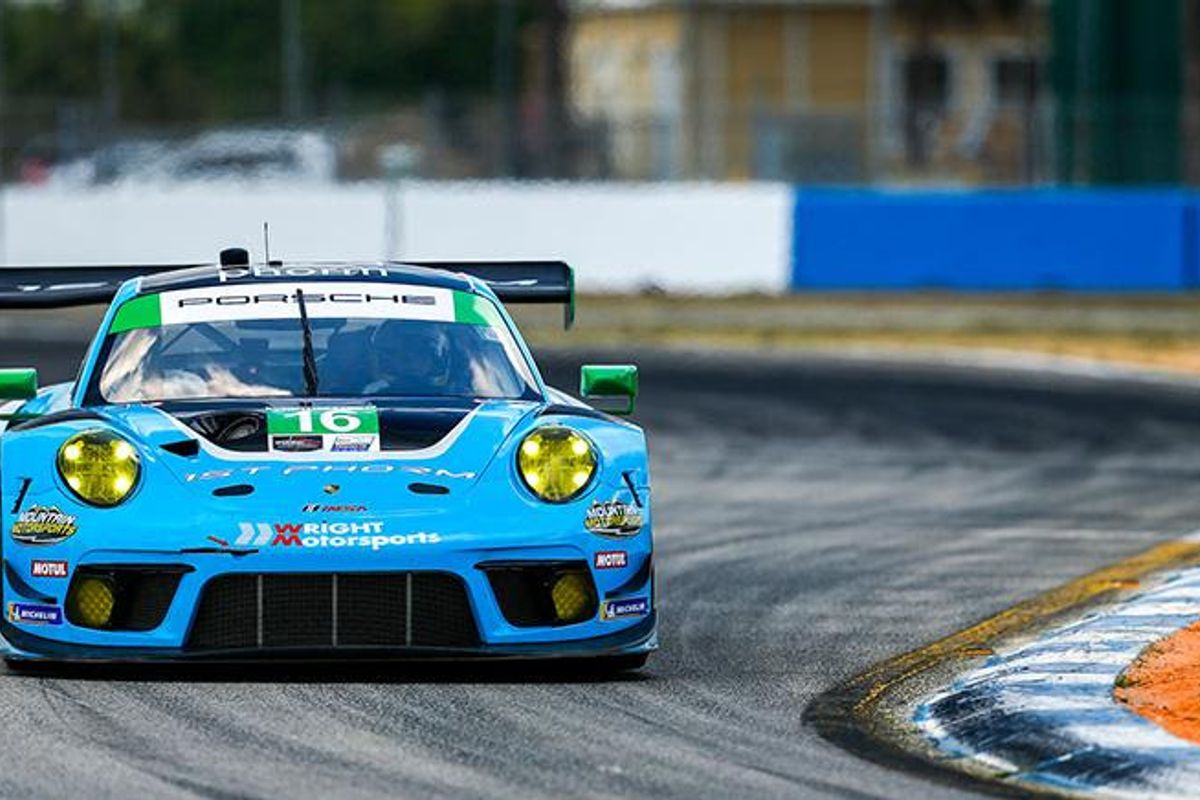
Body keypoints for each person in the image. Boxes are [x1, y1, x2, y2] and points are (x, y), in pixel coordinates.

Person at [362, 320, 452, 395]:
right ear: (387, 359)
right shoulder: (370, 398)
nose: (411, 360)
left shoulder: (455, 399)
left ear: (435, 359)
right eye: (404, 353)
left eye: (419, 353)